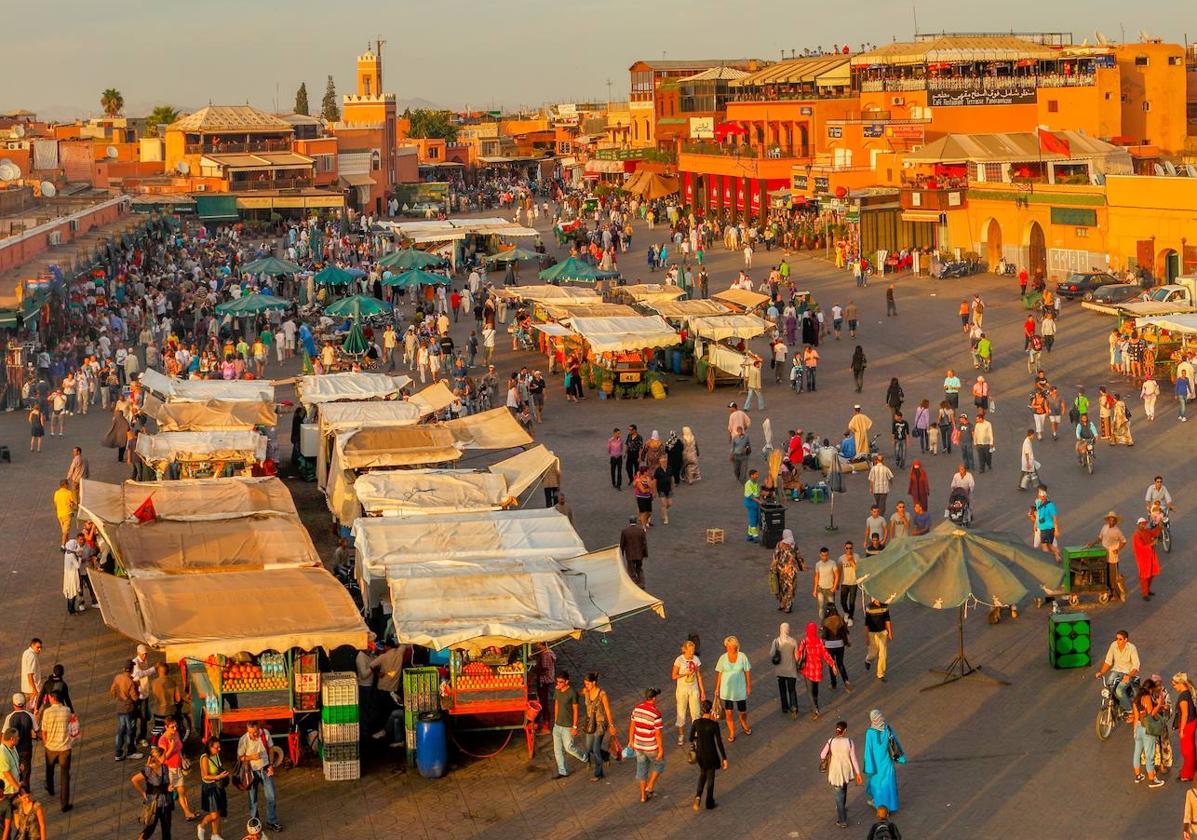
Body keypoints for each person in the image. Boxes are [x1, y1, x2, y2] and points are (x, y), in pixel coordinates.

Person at [237, 721, 282, 832]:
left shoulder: (265, 734)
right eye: (251, 733)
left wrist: (271, 765)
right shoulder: (244, 739)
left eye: (255, 732)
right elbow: (240, 757)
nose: (254, 735)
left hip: (266, 769)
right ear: (248, 731)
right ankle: (255, 821)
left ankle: (271, 821)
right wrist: (251, 757)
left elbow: (271, 749)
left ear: (259, 729)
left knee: (271, 796)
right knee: (252, 798)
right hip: (251, 771)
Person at [820, 720, 863, 829]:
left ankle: (842, 819)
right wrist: (858, 773)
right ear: (845, 730)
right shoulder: (849, 742)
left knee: (838, 795)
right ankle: (842, 808)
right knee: (843, 789)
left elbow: (822, 755)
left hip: (835, 771)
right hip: (846, 771)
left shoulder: (831, 741)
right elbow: (854, 759)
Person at [689, 699, 728, 811]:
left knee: (703, 773)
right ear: (711, 710)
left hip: (700, 754)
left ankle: (698, 796)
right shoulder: (714, 725)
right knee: (710, 778)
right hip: (712, 754)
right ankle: (709, 802)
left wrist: (697, 738)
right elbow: (719, 742)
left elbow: (691, 738)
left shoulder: (696, 722)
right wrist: (724, 758)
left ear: (702, 710)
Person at [628, 688, 665, 803]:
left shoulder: (637, 709)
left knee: (642, 770)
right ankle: (650, 785)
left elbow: (632, 726)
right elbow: (658, 734)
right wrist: (661, 749)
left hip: (639, 744)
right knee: (660, 764)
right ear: (654, 698)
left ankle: (643, 796)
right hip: (651, 746)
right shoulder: (656, 714)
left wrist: (631, 741)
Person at [864, 709, 906, 813]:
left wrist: (869, 767)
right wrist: (901, 758)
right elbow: (895, 743)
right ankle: (891, 806)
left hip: (876, 765)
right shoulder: (887, 728)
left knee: (878, 785)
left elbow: (868, 750)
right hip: (887, 762)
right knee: (888, 784)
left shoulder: (870, 732)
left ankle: (880, 807)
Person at [39, 691, 74, 812]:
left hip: (51, 747)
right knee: (65, 775)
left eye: (49, 696)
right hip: (64, 748)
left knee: (49, 769)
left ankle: (50, 787)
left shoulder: (47, 712)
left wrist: (45, 743)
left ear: (53, 698)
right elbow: (72, 724)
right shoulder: (67, 710)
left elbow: (43, 731)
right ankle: (64, 804)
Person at [550, 671, 588, 779]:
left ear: (567, 681)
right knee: (557, 750)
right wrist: (555, 721)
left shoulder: (572, 693)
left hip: (568, 726)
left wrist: (575, 726)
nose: (559, 684)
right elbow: (556, 704)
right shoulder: (557, 691)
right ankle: (563, 771)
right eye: (557, 681)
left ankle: (585, 757)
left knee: (569, 747)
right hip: (557, 725)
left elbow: (575, 710)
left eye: (561, 682)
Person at [158, 717, 197, 820]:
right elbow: (162, 760)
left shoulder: (176, 734)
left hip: (177, 768)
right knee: (166, 794)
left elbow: (179, 749)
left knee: (182, 791)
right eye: (172, 727)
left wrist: (183, 759)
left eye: (176, 726)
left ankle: (187, 813)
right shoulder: (162, 740)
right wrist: (171, 747)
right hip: (168, 770)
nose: (175, 728)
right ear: (166, 727)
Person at [714, 636, 752, 741]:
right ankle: (731, 731)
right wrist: (717, 688)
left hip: (740, 688)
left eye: (731, 646)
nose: (729, 649)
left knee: (742, 711)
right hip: (727, 690)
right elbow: (720, 673)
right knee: (728, 712)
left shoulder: (742, 656)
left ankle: (743, 722)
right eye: (727, 647)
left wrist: (749, 686)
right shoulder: (722, 658)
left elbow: (747, 671)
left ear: (736, 646)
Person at [797, 622, 838, 720]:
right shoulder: (820, 642)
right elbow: (825, 654)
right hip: (817, 670)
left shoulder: (804, 642)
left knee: (809, 691)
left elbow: (799, 655)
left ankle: (815, 709)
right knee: (815, 689)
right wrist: (832, 665)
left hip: (808, 670)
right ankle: (815, 703)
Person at [131, 746, 174, 839]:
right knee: (149, 830)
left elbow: (166, 784)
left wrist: (169, 788)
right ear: (157, 757)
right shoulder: (148, 770)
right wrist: (143, 793)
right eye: (163, 755)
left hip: (166, 803)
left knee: (166, 830)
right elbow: (134, 780)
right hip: (153, 804)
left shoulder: (165, 767)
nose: (165, 757)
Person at [1095, 629, 1140, 715]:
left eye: (1120, 639)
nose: (1117, 641)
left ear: (1126, 640)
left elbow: (1136, 666)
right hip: (1116, 670)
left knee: (1119, 690)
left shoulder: (1132, 648)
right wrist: (1101, 672)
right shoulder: (1113, 645)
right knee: (1109, 687)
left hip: (1127, 673)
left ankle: (1129, 710)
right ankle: (1116, 704)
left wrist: (1128, 676)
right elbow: (1108, 661)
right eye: (1116, 638)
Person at [580, 673, 615, 780]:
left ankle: (598, 773)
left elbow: (608, 710)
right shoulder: (586, 691)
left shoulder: (602, 694)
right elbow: (579, 693)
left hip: (600, 723)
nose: (586, 686)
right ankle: (605, 756)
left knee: (595, 750)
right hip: (590, 724)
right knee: (589, 748)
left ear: (594, 683)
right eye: (585, 684)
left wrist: (611, 725)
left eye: (588, 684)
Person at [1131, 684, 1167, 788]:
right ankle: (1152, 779)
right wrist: (1159, 704)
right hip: (1146, 728)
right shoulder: (1146, 697)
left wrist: (1134, 731)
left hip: (1137, 727)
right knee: (1149, 754)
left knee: (1137, 752)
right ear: (1150, 689)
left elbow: (1136, 717)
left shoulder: (1136, 700)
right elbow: (1151, 713)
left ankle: (1138, 776)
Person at [671, 641, 704, 747]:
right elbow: (674, 676)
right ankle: (681, 735)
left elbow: (699, 675)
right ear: (684, 650)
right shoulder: (679, 660)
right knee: (681, 712)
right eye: (690, 651)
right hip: (682, 690)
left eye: (693, 651)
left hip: (693, 689)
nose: (691, 653)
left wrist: (702, 690)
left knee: (696, 712)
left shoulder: (696, 659)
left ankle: (696, 734)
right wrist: (685, 673)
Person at [1089, 511, 1128, 602]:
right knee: (1104, 574)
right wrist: (1092, 544)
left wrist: (1118, 549)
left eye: (1113, 520)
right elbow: (1100, 538)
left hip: (1112, 557)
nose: (1111, 521)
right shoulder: (1104, 527)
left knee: (1113, 576)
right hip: (1103, 555)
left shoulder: (1117, 531)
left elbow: (1124, 541)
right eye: (1110, 520)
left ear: (1115, 521)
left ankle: (1115, 593)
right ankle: (1108, 591)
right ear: (1108, 520)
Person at [199, 737, 230, 840]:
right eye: (217, 748)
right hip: (209, 788)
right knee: (213, 815)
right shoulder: (204, 758)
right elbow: (205, 776)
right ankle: (201, 826)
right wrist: (218, 777)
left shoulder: (216, 755)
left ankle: (215, 834)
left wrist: (223, 774)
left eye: (219, 747)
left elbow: (218, 767)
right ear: (210, 747)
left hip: (217, 785)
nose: (219, 749)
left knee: (218, 811)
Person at [770, 623, 800, 718]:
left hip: (780, 670)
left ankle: (784, 707)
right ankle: (794, 706)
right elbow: (797, 657)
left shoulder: (776, 641)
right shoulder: (793, 641)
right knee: (792, 690)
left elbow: (771, 653)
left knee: (782, 689)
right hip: (791, 670)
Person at [822, 604, 852, 692]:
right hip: (840, 644)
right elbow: (844, 633)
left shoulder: (826, 621)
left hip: (830, 646)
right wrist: (846, 643)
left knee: (832, 664)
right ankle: (846, 680)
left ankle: (833, 684)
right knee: (840, 663)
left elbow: (825, 635)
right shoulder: (840, 619)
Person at [1132, 516, 1163, 601]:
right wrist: (1152, 543)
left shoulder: (1146, 531)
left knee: (1151, 574)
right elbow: (1141, 547)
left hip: (1150, 556)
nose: (1143, 525)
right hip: (1142, 558)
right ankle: (1144, 594)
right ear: (1138, 525)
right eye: (1141, 524)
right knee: (1144, 576)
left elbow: (1154, 533)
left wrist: (1159, 526)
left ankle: (1147, 590)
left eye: (1144, 524)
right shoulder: (1136, 535)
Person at [1174, 673, 1197, 784]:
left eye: (1174, 684)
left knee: (1187, 750)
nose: (1174, 687)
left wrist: (1182, 729)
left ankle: (1187, 774)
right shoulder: (1189, 692)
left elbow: (1185, 714)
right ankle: (1192, 770)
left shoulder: (1183, 697)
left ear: (1180, 684)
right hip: (1192, 722)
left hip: (1187, 724)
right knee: (1191, 748)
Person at [770, 530, 799, 613]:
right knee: (791, 588)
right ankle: (788, 606)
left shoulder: (779, 545)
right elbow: (798, 556)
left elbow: (775, 557)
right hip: (791, 571)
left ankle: (782, 604)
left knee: (782, 588)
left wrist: (773, 568)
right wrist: (802, 566)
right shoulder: (794, 545)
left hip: (781, 570)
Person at [1030, 485, 1061, 563]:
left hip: (1047, 528)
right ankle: (1057, 555)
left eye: (1041, 493)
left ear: (1045, 494)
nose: (1039, 494)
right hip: (1042, 527)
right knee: (1050, 545)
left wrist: (1057, 530)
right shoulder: (1037, 502)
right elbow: (1038, 515)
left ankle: (1048, 561)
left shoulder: (1050, 505)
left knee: (1044, 545)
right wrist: (1035, 524)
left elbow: (1055, 518)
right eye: (1039, 492)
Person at [865, 597, 893, 682]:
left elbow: (887, 620)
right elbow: (866, 624)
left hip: (882, 633)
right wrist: (866, 636)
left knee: (883, 654)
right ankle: (868, 660)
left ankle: (880, 674)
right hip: (872, 633)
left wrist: (890, 633)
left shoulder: (885, 606)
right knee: (873, 653)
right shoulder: (869, 607)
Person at [812, 547, 840, 616]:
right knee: (821, 607)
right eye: (823, 555)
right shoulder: (818, 564)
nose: (825, 557)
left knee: (832, 608)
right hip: (820, 589)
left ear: (828, 554)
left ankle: (832, 623)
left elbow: (837, 575)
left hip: (829, 589)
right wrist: (815, 589)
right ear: (820, 555)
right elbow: (816, 577)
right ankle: (822, 624)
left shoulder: (832, 563)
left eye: (826, 555)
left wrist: (834, 587)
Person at [838, 541, 860, 625]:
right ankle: (846, 613)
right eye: (847, 548)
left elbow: (858, 569)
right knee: (842, 601)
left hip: (853, 582)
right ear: (844, 548)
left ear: (852, 548)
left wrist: (851, 561)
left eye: (850, 548)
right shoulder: (841, 558)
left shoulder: (856, 556)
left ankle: (851, 618)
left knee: (851, 602)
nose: (848, 550)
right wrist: (837, 583)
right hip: (844, 582)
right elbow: (839, 572)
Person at [742, 468, 762, 543]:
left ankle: (749, 535)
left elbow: (756, 494)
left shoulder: (755, 483)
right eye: (756, 474)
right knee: (753, 519)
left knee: (755, 519)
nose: (757, 475)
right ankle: (755, 536)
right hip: (750, 503)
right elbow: (751, 496)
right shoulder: (748, 483)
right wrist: (760, 502)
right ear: (752, 475)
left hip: (754, 503)